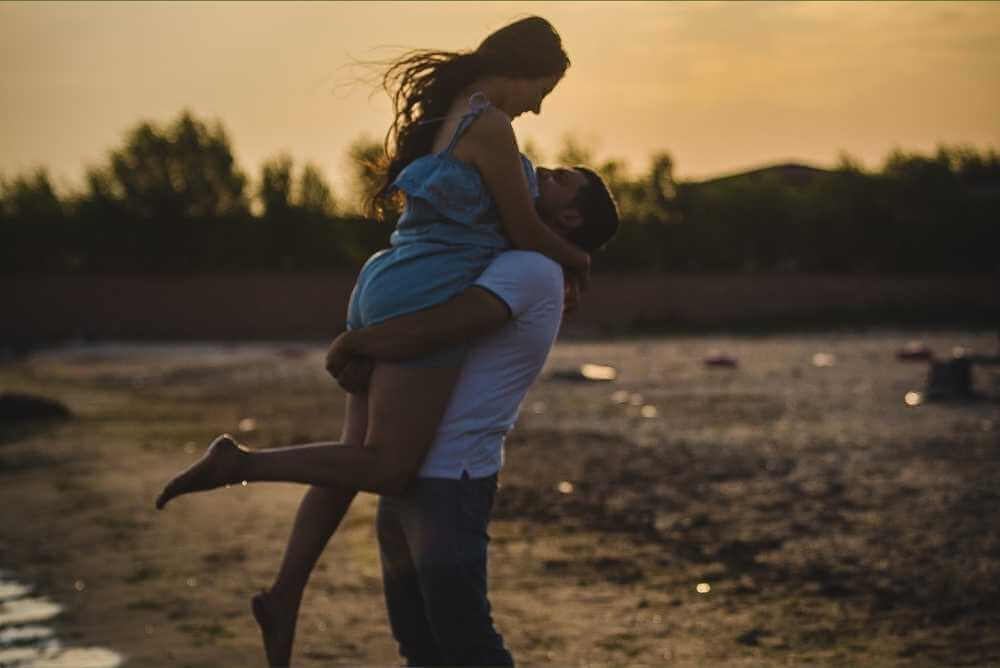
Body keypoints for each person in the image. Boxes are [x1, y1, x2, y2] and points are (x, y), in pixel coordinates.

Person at [155, 15, 618, 665]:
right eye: (545, 88)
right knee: (389, 466)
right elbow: (521, 227)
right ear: (525, 67)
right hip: (426, 288)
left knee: (353, 458)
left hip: (387, 275)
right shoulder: (491, 125)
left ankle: (285, 594)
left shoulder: (451, 115)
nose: (541, 107)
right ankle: (242, 463)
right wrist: (579, 260)